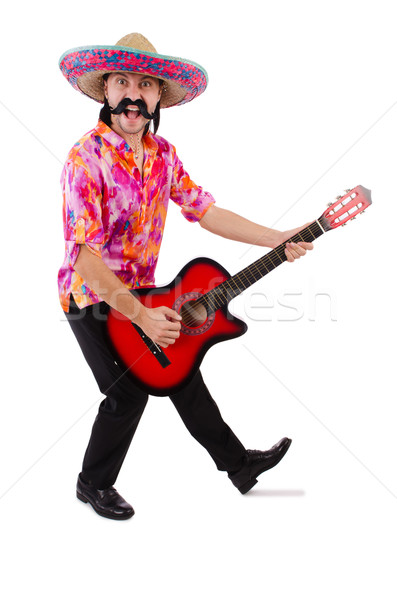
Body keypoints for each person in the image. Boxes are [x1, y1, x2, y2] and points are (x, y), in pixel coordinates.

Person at [58, 33, 313, 520]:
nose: (134, 94)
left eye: (147, 85)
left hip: (143, 295)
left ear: (158, 98)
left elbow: (207, 211)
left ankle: (239, 467)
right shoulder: (84, 160)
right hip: (91, 297)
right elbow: (87, 259)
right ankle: (92, 484)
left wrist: (278, 238)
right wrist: (143, 318)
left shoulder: (164, 155)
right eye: (121, 81)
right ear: (105, 92)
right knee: (127, 391)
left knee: (181, 374)